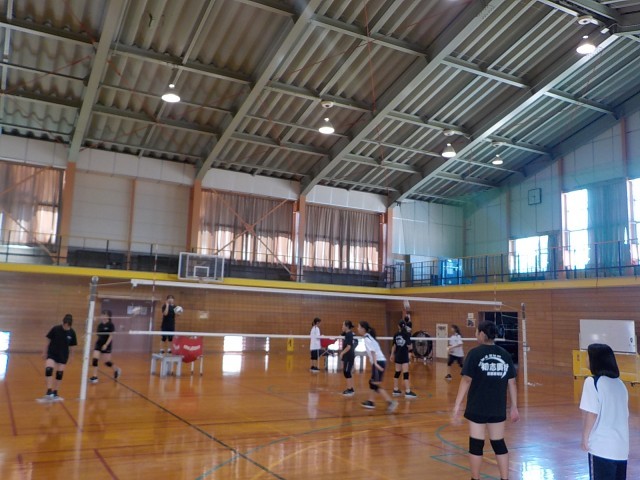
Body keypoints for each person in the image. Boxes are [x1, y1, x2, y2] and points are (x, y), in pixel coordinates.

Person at [452, 320, 519, 480]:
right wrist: (514, 406)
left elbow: (466, 380)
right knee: (498, 443)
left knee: (476, 444)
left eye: (476, 331)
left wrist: (457, 405)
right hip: (497, 407)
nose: (475, 334)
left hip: (477, 406)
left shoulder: (474, 353)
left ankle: (475, 478)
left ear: (482, 334)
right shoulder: (504, 354)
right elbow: (512, 382)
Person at [580, 343, 629, 480]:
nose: (586, 359)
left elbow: (591, 413)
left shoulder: (592, 382)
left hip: (601, 448)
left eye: (588, 356)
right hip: (621, 449)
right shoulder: (620, 384)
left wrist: (585, 438)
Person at [358, 321, 397, 413]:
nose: (358, 329)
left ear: (363, 329)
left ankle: (390, 402)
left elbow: (373, 351)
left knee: (374, 384)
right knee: (372, 382)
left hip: (378, 362)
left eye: (359, 327)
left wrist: (375, 363)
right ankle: (371, 401)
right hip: (380, 361)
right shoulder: (369, 337)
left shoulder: (367, 338)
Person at [41, 314, 77, 401]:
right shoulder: (55, 329)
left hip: (63, 355)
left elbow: (72, 346)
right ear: (63, 322)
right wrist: (44, 352)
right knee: (48, 369)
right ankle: (49, 390)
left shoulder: (72, 332)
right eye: (64, 325)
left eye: (67, 326)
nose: (65, 327)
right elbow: (48, 340)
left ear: (70, 325)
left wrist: (72, 356)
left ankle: (55, 391)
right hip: (52, 353)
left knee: (59, 373)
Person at [89, 310, 121, 383]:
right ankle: (95, 377)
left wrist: (106, 344)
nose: (103, 316)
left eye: (104, 315)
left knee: (107, 362)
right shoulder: (100, 325)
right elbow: (98, 335)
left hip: (107, 345)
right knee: (95, 359)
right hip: (99, 344)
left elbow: (111, 336)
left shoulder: (110, 325)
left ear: (108, 316)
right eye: (102, 315)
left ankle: (116, 369)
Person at [391, 319, 417, 398]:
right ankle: (408, 391)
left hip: (398, 356)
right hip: (404, 356)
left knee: (397, 372)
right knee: (405, 373)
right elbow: (410, 346)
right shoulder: (407, 334)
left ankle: (395, 389)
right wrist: (411, 351)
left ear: (398, 326)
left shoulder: (396, 334)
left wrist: (392, 354)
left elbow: (394, 346)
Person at [339, 321, 356, 396]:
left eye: (343, 325)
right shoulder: (346, 334)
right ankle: (351, 388)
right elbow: (341, 334)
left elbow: (349, 346)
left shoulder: (349, 334)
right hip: (347, 356)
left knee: (347, 372)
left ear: (347, 326)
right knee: (346, 372)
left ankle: (350, 389)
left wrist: (342, 353)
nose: (342, 326)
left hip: (349, 356)